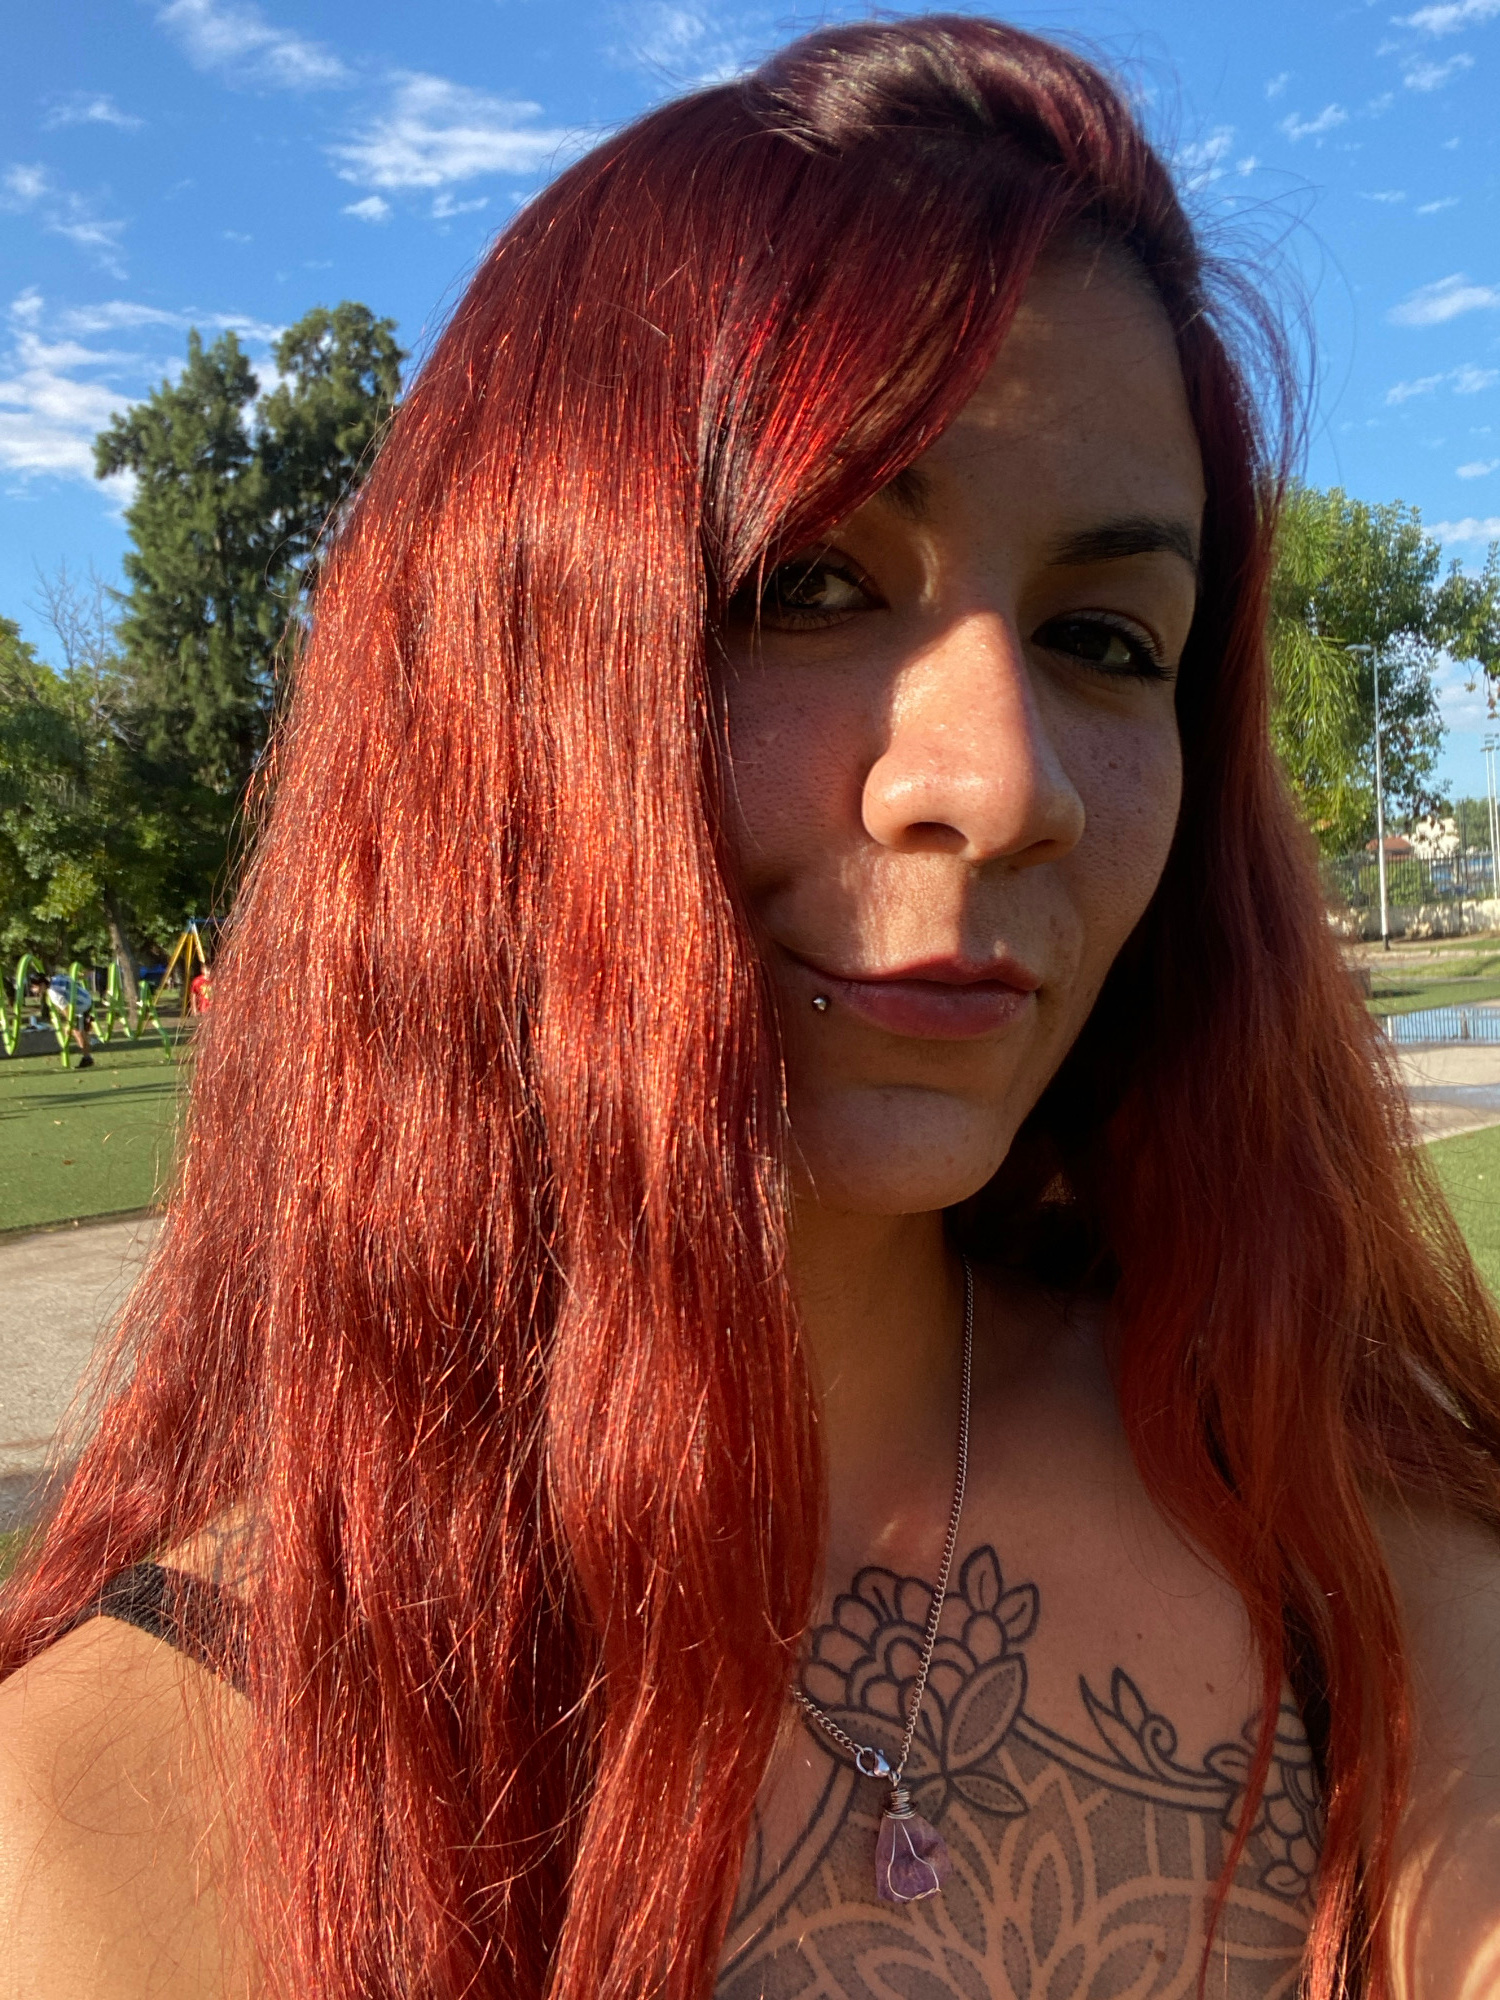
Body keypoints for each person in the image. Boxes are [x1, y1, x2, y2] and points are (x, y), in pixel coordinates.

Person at [1, 18, 1498, 1999]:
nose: (1003, 782)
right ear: (499, 689)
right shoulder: (127, 1793)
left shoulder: (1334, 1522)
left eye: (1103, 638)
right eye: (806, 587)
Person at [40, 968, 96, 1068]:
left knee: (78, 1032)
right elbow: (73, 978)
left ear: (42, 984)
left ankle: (87, 1057)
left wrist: (69, 1025)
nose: (34, 990)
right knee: (79, 1031)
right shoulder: (56, 978)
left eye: (35, 987)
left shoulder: (54, 993)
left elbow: (67, 1010)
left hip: (81, 1007)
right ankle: (87, 1052)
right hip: (86, 999)